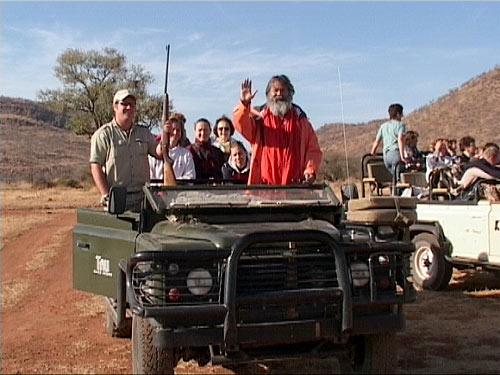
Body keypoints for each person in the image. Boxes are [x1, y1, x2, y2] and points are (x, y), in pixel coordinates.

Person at [233, 75, 322, 185]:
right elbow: (241, 125)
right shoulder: (259, 118)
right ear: (268, 94)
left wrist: (310, 170)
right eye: (275, 90)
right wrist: (244, 104)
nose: (279, 94)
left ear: (290, 94)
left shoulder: (302, 122)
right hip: (264, 190)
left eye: (283, 90)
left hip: (296, 189)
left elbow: (313, 150)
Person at [90, 89, 162, 211]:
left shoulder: (144, 133)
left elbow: (159, 153)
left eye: (132, 105)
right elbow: (95, 166)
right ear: (115, 106)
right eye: (125, 104)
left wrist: (167, 137)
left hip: (143, 199)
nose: (129, 108)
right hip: (119, 200)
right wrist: (107, 195)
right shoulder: (103, 135)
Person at [148, 115, 196, 181]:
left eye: (178, 130)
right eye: (172, 129)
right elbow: (149, 175)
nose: (175, 133)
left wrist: (172, 183)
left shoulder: (186, 155)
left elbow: (190, 176)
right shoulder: (154, 152)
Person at [370, 103, 407, 179]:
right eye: (401, 113)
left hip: (386, 157)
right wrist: (402, 156)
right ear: (397, 114)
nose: (402, 115)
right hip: (395, 154)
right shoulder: (400, 125)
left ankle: (395, 189)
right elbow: (400, 139)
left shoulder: (383, 126)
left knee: (394, 178)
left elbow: (377, 141)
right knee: (400, 179)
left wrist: (373, 152)